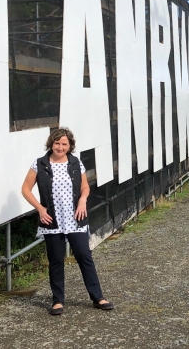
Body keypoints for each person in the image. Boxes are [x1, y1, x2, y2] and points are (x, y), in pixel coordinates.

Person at [21, 127, 114, 315]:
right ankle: (58, 301)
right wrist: (40, 209)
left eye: (64, 144)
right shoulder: (39, 164)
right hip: (52, 220)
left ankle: (98, 297)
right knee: (56, 261)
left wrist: (82, 201)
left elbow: (85, 187)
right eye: (57, 143)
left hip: (75, 219)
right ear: (51, 144)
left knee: (84, 257)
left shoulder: (75, 163)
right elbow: (25, 189)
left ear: (70, 146)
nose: (60, 147)